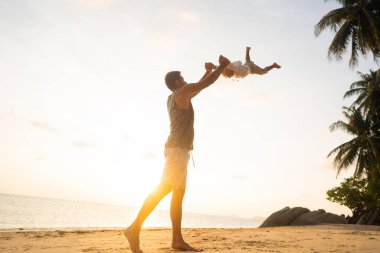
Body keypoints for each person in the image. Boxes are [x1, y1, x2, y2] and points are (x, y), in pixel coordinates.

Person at [124, 55, 231, 253]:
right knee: (165, 188)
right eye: (182, 78)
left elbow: (198, 86)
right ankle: (134, 228)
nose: (185, 80)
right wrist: (221, 67)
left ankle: (177, 240)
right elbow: (204, 85)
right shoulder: (181, 92)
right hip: (177, 150)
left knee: (178, 194)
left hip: (178, 150)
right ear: (177, 82)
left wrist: (209, 70)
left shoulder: (177, 95)